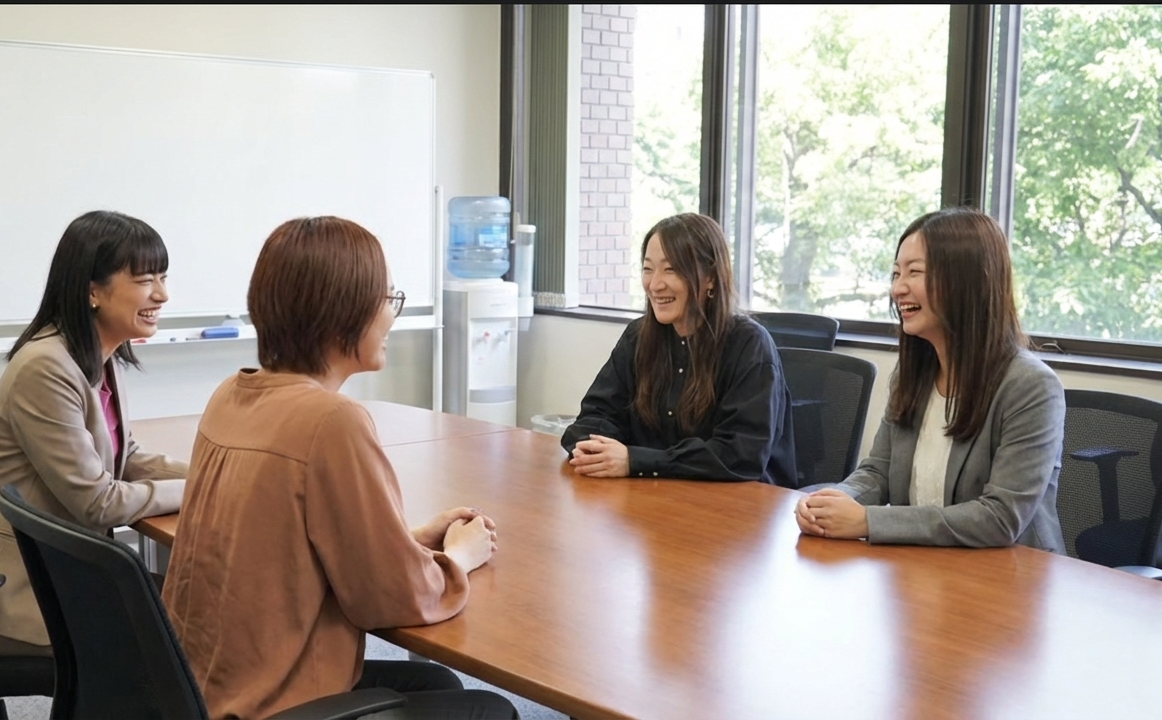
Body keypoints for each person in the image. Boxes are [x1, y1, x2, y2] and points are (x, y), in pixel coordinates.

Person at [161, 216, 517, 720]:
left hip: (203, 689)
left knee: (434, 679)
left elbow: (282, 545)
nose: (391, 315)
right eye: (386, 298)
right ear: (341, 312)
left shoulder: (232, 394)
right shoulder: (331, 420)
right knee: (490, 710)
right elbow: (392, 599)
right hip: (271, 700)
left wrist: (408, 539)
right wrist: (458, 559)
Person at [0, 210, 187, 656]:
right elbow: (98, 502)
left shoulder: (101, 353)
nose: (162, 294)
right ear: (93, 290)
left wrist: (216, 471)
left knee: (196, 607)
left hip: (59, 571)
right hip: (4, 592)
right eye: (146, 280)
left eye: (162, 277)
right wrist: (200, 488)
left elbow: (124, 457)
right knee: (182, 633)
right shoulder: (46, 366)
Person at [795, 207, 1066, 550]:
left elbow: (1000, 518)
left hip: (1010, 579)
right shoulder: (913, 376)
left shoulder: (1030, 386)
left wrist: (867, 521)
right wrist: (832, 500)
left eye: (914, 272)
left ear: (969, 281)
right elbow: (878, 472)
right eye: (896, 273)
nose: (898, 288)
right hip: (923, 571)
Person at [560, 212, 796, 485]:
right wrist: (594, 448)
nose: (655, 284)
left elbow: (740, 455)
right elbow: (595, 416)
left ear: (710, 277)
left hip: (738, 506)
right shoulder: (638, 336)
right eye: (648, 269)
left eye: (670, 269)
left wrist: (635, 460)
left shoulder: (748, 344)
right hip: (655, 496)